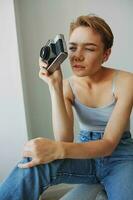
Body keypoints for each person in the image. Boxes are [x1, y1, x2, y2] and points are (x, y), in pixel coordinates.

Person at [0, 14, 133, 200]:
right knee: (34, 163)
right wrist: (55, 86)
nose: (77, 56)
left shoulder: (126, 81)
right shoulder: (67, 85)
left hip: (121, 156)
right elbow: (65, 139)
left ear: (106, 54)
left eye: (89, 49)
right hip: (84, 154)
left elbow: (109, 144)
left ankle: (105, 188)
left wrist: (58, 149)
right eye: (72, 48)